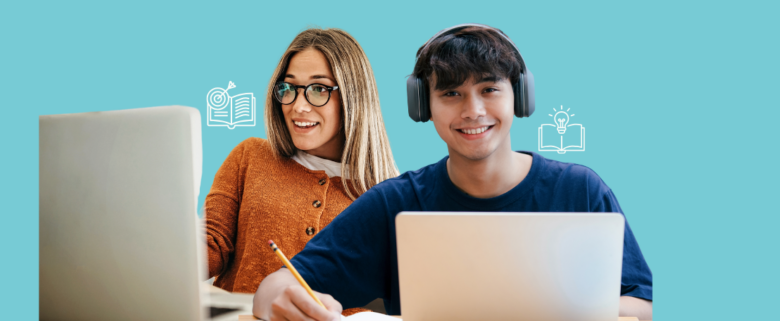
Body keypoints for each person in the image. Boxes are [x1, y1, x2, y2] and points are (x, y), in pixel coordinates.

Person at [252, 24, 653, 321]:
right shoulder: (395, 203)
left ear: (520, 96)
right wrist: (281, 300)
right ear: (423, 106)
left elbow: (643, 304)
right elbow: (277, 285)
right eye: (451, 93)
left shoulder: (580, 190)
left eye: (489, 89)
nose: (472, 111)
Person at [203, 28, 399, 316]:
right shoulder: (250, 156)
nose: (298, 106)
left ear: (353, 97)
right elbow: (210, 244)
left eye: (319, 89)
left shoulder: (386, 197)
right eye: (289, 88)